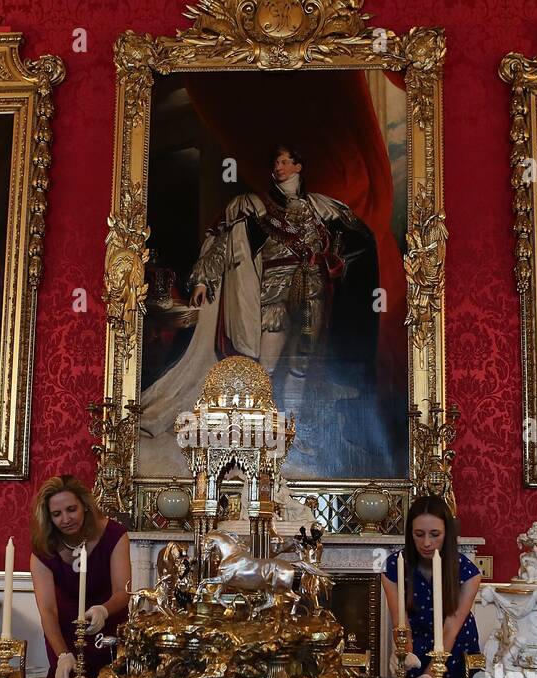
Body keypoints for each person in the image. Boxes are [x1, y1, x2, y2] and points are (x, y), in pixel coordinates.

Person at [137, 145, 380, 473]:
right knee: (265, 362)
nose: (278, 167)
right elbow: (223, 243)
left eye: (284, 161)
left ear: (298, 165)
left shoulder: (322, 207)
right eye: (275, 162)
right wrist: (203, 280)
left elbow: (359, 241)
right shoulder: (254, 206)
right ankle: (257, 433)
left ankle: (295, 429)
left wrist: (334, 256)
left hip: (313, 289)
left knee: (304, 360)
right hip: (274, 291)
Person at [29, 476, 131, 678]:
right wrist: (63, 655)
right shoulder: (43, 549)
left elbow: (123, 592)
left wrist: (103, 610)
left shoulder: (114, 534)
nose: (66, 519)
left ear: (85, 506)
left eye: (71, 509)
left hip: (109, 634)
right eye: (57, 514)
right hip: (63, 637)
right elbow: (47, 610)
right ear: (49, 517)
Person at [380, 495, 482, 678]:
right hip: (416, 646)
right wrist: (405, 654)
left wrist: (430, 673)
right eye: (419, 534)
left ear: (447, 534)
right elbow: (400, 620)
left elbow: (451, 628)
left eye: (435, 534)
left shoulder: (468, 573)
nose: (426, 543)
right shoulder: (393, 566)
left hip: (454, 646)